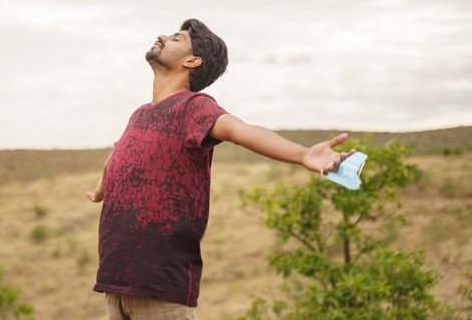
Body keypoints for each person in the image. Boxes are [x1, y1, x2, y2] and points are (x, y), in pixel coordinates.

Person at [85, 18, 355, 320]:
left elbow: (241, 130)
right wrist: (101, 188)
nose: (161, 36)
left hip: (160, 286)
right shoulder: (139, 115)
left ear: (192, 60)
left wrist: (304, 154)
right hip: (116, 284)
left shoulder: (194, 107)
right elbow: (121, 153)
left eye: (175, 38)